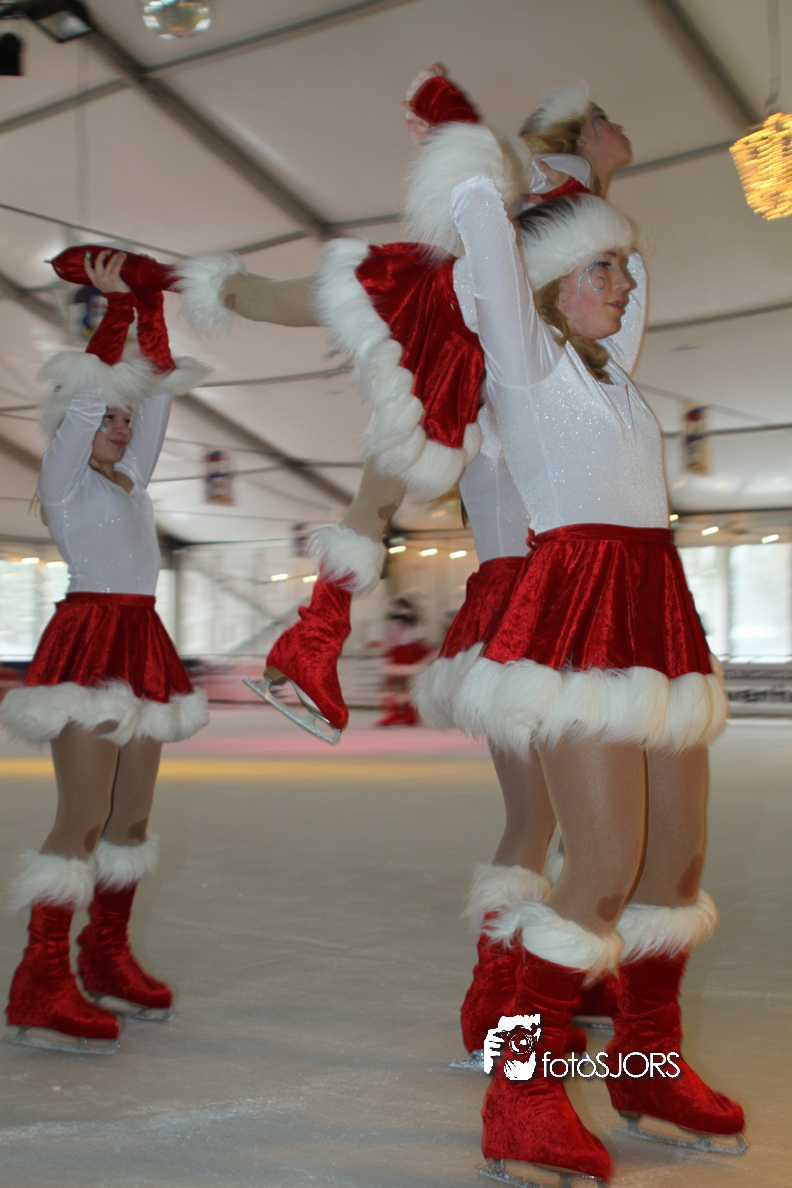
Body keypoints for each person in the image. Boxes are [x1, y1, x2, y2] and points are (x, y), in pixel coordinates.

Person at [409, 147, 744, 1181]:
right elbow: (497, 261)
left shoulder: (611, 373)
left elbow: (614, 274)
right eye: (602, 270)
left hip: (656, 614)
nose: (625, 284)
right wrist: (474, 168)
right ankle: (521, 1092)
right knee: (598, 865)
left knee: (674, 864)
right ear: (548, 287)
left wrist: (594, 183)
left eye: (622, 268)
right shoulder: (527, 365)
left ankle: (646, 1066)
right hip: (581, 617)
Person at [1, 249, 210, 1054]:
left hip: (142, 643)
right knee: (84, 817)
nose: (122, 428)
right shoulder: (65, 485)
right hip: (89, 642)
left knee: (131, 817)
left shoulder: (134, 484)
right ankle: (40, 979)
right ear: (76, 427)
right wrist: (117, 307)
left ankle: (105, 953)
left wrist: (152, 315)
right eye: (108, 420)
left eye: (126, 421)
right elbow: (94, 396)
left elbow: (156, 397)